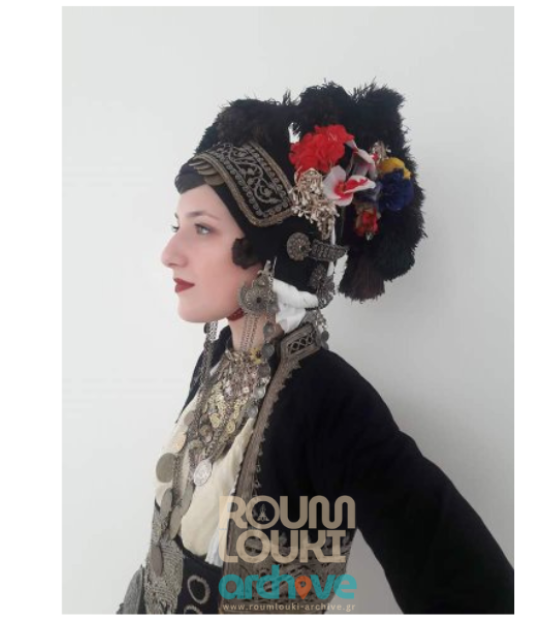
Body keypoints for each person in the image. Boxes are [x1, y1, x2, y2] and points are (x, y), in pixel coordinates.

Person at [116, 80, 514, 614]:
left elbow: (460, 573)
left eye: (202, 229)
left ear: (274, 253)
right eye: (177, 226)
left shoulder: (328, 398)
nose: (170, 252)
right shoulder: (217, 358)